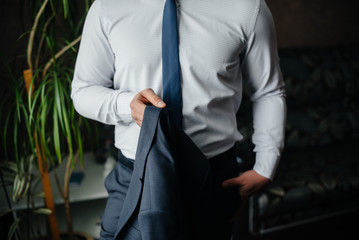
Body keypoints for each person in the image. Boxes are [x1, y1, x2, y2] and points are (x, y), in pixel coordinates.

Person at [71, 0, 286, 239]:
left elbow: (268, 91)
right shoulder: (108, 6)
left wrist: (266, 165)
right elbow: (83, 91)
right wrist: (127, 104)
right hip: (134, 178)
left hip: (212, 176)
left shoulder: (246, 7)